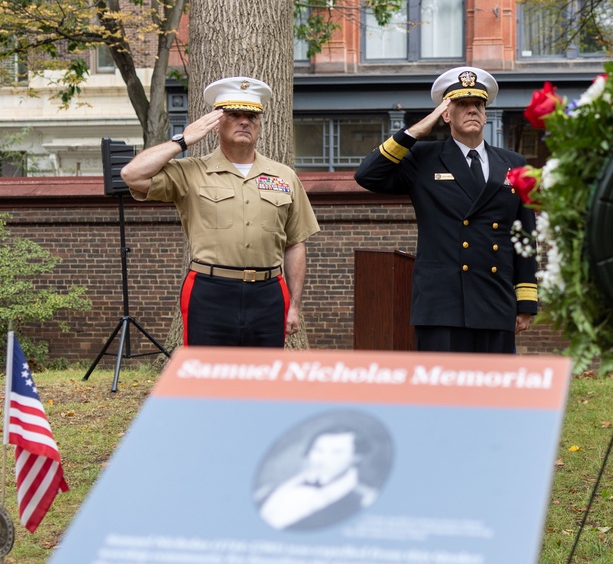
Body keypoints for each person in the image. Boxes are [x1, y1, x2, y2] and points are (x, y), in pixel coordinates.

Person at [120, 77, 320, 348]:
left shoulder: (284, 177)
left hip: (268, 293)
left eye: (251, 116)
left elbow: (296, 243)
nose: (244, 121)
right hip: (210, 291)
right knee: (207, 379)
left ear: (259, 124)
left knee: (263, 378)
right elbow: (131, 174)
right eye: (234, 114)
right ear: (216, 124)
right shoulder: (190, 171)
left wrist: (294, 306)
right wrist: (182, 140)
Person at [354, 67, 538, 353]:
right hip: (442, 305)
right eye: (461, 104)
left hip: (495, 300)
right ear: (446, 114)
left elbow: (525, 237)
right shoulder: (424, 158)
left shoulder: (514, 164)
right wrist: (416, 130)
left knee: (495, 395)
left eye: (478, 104)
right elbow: (368, 175)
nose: (472, 110)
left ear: (486, 113)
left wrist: (525, 301)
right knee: (442, 395)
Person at [257, 429, 379, 531]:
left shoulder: (362, 501)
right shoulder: (270, 491)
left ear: (356, 457)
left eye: (337, 452)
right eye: (318, 450)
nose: (322, 459)